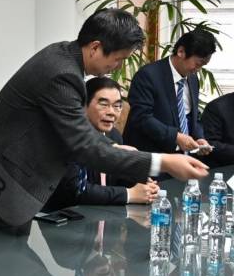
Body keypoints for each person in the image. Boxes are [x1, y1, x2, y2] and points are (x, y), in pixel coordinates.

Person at [0, 9, 208, 235]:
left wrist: (113, 147)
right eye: (118, 59)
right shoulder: (63, 74)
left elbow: (74, 131)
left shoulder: (64, 55)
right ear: (96, 47)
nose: (117, 67)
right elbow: (84, 146)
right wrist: (164, 161)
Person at [44, 76, 159, 211]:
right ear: (83, 106)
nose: (111, 112)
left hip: (103, 214)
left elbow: (117, 178)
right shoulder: (70, 137)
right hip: (66, 216)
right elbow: (75, 190)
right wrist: (130, 194)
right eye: (104, 104)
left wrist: (140, 183)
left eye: (117, 106)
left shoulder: (114, 136)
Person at [123, 28, 217, 155]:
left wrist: (199, 138)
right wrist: (175, 137)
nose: (198, 70)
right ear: (181, 52)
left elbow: (192, 116)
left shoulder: (193, 79)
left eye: (202, 66)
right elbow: (141, 117)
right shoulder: (148, 75)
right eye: (197, 64)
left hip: (181, 157)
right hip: (149, 155)